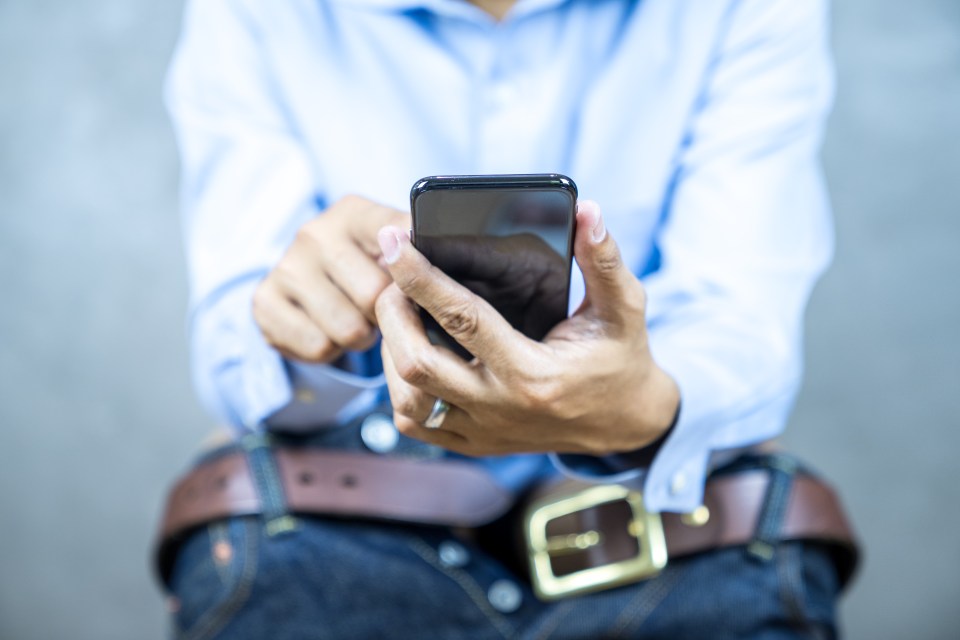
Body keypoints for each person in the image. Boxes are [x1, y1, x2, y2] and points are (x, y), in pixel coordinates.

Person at [157, 0, 858, 638]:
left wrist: (641, 403)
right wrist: (306, 333)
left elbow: (740, 323)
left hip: (669, 545)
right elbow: (235, 354)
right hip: (334, 537)